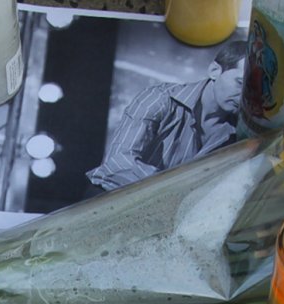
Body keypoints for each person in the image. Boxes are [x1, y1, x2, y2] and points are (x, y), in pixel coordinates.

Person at [85, 39, 248, 193]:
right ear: (214, 71)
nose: (244, 96)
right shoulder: (160, 98)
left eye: (251, 91)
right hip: (107, 197)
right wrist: (175, 190)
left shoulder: (238, 133)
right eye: (240, 83)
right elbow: (117, 162)